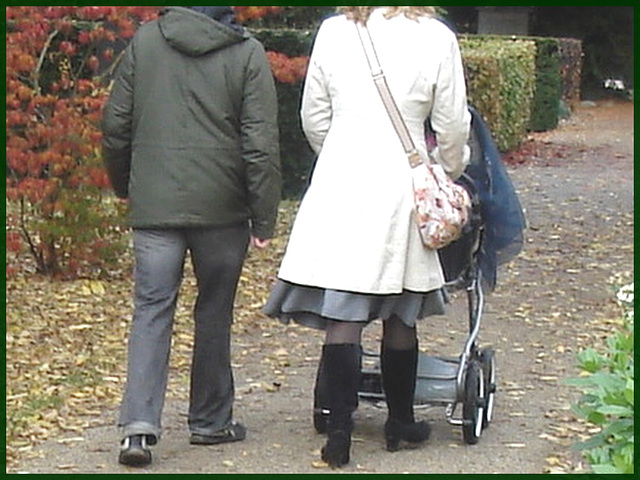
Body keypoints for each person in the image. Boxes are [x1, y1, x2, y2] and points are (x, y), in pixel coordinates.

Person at [263, 6, 470, 468]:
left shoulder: (335, 32)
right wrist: (445, 171)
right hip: (403, 180)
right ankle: (400, 422)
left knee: (346, 309)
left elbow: (314, 115)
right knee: (400, 308)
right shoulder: (436, 38)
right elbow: (453, 125)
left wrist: (339, 153)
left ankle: (339, 434)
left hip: (341, 178)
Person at [101, 6, 281, 467]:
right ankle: (209, 420)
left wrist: (128, 187)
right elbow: (260, 143)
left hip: (156, 204)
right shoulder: (247, 53)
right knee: (215, 311)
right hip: (222, 208)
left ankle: (137, 428)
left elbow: (116, 124)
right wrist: (263, 218)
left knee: (151, 310)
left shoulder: (146, 41)